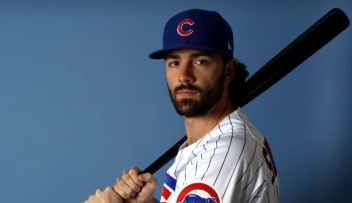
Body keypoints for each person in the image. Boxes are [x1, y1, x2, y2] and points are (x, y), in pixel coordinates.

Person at [85, 9, 279, 203]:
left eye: (200, 61)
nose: (184, 75)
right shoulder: (212, 140)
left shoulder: (222, 154)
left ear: (228, 71)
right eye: (174, 62)